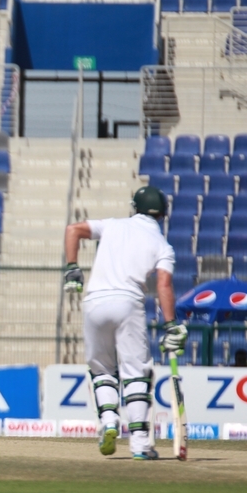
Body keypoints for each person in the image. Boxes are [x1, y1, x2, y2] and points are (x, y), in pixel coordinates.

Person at [63, 186, 186, 460]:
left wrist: (72, 267)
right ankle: (140, 444)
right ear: (163, 214)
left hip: (94, 301)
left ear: (135, 207)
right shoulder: (163, 246)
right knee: (135, 372)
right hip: (128, 302)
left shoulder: (113, 225)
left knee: (102, 369)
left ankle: (108, 422)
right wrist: (170, 325)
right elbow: (164, 285)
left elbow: (73, 229)